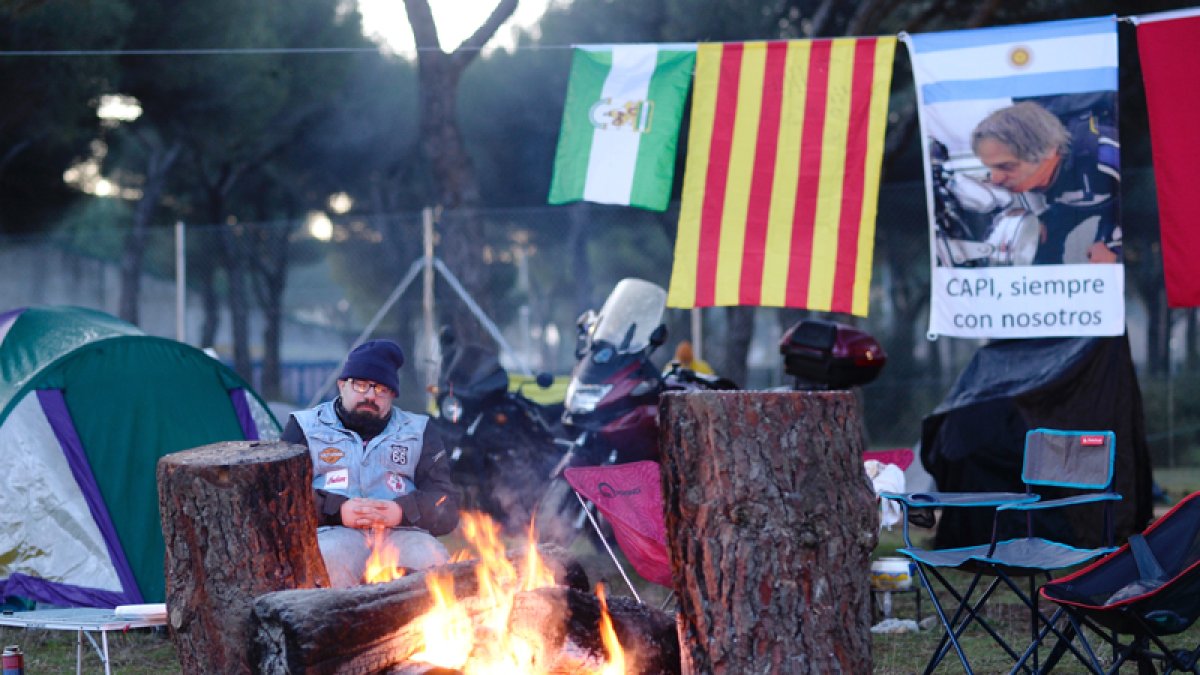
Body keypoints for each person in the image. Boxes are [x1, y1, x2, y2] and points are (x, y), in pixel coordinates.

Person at [281, 339, 459, 587]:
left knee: (431, 560)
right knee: (327, 559)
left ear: (392, 396)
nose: (370, 396)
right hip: (332, 533)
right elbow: (282, 497)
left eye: (381, 389)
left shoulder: (420, 431)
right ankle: (335, 626)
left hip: (403, 533)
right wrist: (337, 510)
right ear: (342, 385)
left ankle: (423, 626)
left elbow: (446, 504)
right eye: (361, 385)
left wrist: (401, 511)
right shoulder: (305, 427)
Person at [970, 100, 1121, 265]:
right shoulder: (1012, 179)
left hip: (1111, 194)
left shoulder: (1105, 155)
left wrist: (1114, 247)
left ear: (1050, 150)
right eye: (990, 168)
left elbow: (1146, 204)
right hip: (1061, 202)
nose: (995, 179)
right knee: (1037, 244)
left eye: (1007, 166)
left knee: (1106, 256)